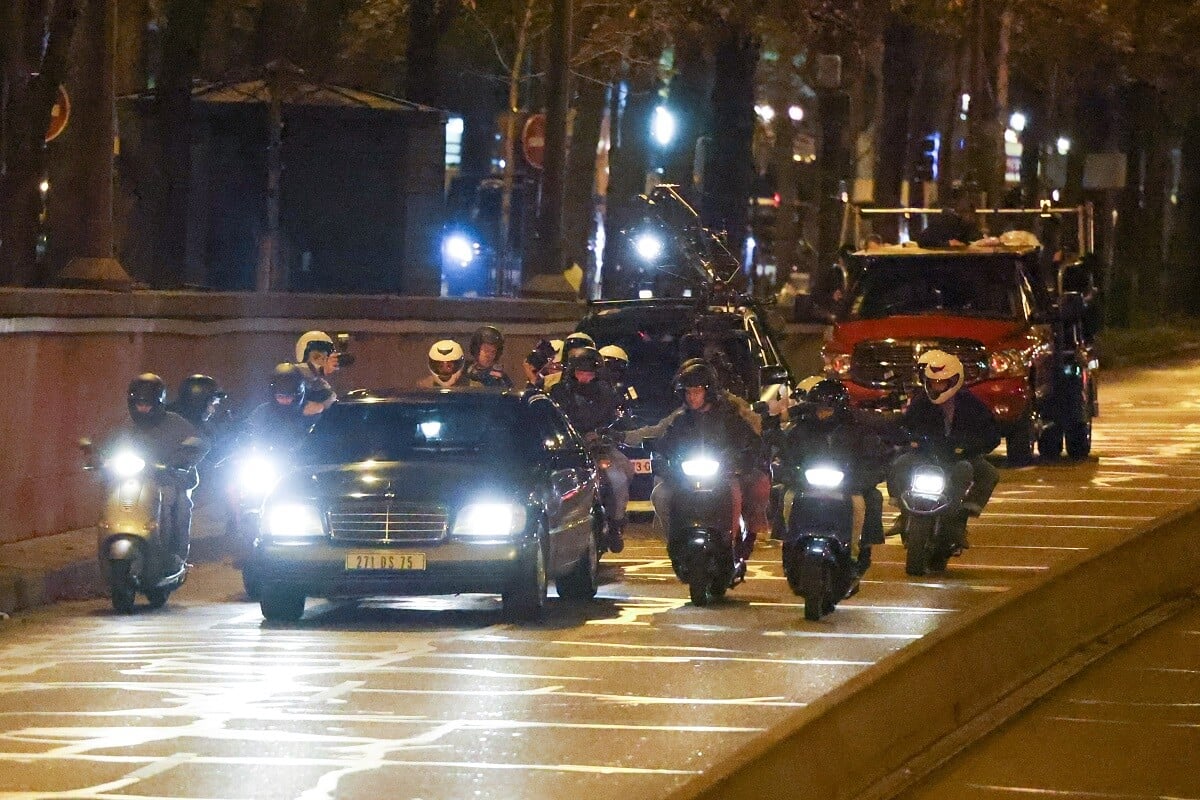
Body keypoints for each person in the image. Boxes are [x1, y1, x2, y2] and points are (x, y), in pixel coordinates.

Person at [651, 362, 769, 560]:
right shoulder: (681, 420)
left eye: (696, 391)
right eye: (687, 392)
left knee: (735, 493)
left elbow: (752, 443)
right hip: (685, 478)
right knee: (660, 495)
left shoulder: (729, 417)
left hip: (723, 475)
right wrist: (663, 461)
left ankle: (732, 541)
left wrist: (739, 461)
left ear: (709, 391)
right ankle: (675, 541)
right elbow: (665, 446)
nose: (691, 396)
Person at [886, 350, 1000, 548]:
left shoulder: (972, 404)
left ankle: (959, 518)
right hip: (926, 456)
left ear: (954, 381)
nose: (936, 387)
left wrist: (969, 446)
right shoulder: (921, 402)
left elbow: (991, 434)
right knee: (899, 464)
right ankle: (904, 514)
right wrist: (906, 438)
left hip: (959, 457)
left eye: (941, 382)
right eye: (933, 382)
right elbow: (903, 426)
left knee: (988, 473)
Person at [97, 374, 209, 569]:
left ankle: (174, 556)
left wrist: (180, 461)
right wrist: (101, 458)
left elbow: (199, 444)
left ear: (159, 403)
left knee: (176, 503)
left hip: (169, 480)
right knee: (112, 499)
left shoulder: (176, 424)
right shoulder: (125, 426)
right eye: (139, 404)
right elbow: (107, 447)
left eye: (148, 404)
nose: (143, 408)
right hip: (133, 481)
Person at [782, 379, 889, 571]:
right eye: (819, 408)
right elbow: (786, 457)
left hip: (848, 486)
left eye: (829, 408)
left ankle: (857, 551)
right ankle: (790, 544)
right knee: (786, 496)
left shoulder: (859, 430)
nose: (823, 413)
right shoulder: (800, 430)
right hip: (806, 486)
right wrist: (789, 474)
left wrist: (861, 479)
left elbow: (874, 459)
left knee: (867, 500)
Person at [549, 347, 631, 552]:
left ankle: (615, 524)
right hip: (570, 452)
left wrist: (606, 433)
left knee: (622, 475)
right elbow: (555, 421)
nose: (585, 376)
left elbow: (617, 417)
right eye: (580, 372)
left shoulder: (607, 392)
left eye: (590, 372)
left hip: (600, 448)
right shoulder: (560, 392)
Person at [242, 363, 316, 450]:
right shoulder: (262, 412)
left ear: (298, 395)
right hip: (268, 459)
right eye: (280, 396)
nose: (284, 400)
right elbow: (247, 432)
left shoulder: (311, 412)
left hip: (304, 461)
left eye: (289, 396)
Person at [293, 331, 340, 416]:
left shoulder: (324, 389)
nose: (322, 361)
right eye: (316, 357)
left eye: (325, 358)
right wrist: (321, 370)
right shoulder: (291, 375)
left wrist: (321, 406)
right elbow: (300, 370)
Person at [915, 189, 982, 248]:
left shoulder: (968, 224)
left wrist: (983, 241)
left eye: (972, 213)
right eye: (966, 212)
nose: (971, 217)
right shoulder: (946, 220)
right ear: (959, 212)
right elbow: (922, 240)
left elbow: (976, 238)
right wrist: (948, 243)